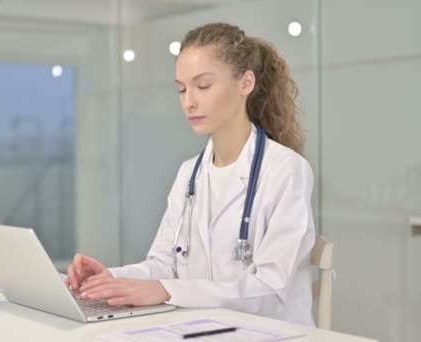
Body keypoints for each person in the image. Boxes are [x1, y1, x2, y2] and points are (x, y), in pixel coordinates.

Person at [66, 22, 316, 326]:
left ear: (245, 83)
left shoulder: (285, 170)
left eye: (203, 85)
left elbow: (269, 290)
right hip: (201, 328)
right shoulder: (190, 173)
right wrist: (109, 279)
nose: (189, 101)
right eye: (182, 89)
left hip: (269, 333)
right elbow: (163, 265)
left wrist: (165, 291)